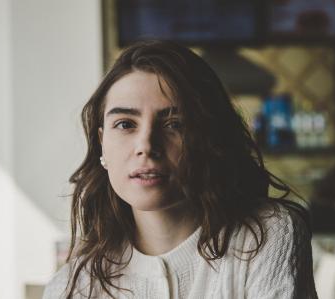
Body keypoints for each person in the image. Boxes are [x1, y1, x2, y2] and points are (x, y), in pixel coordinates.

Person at [42, 40, 318, 299]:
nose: (146, 146)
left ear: (209, 138)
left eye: (175, 124)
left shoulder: (266, 234)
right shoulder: (71, 288)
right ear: (102, 142)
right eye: (126, 124)